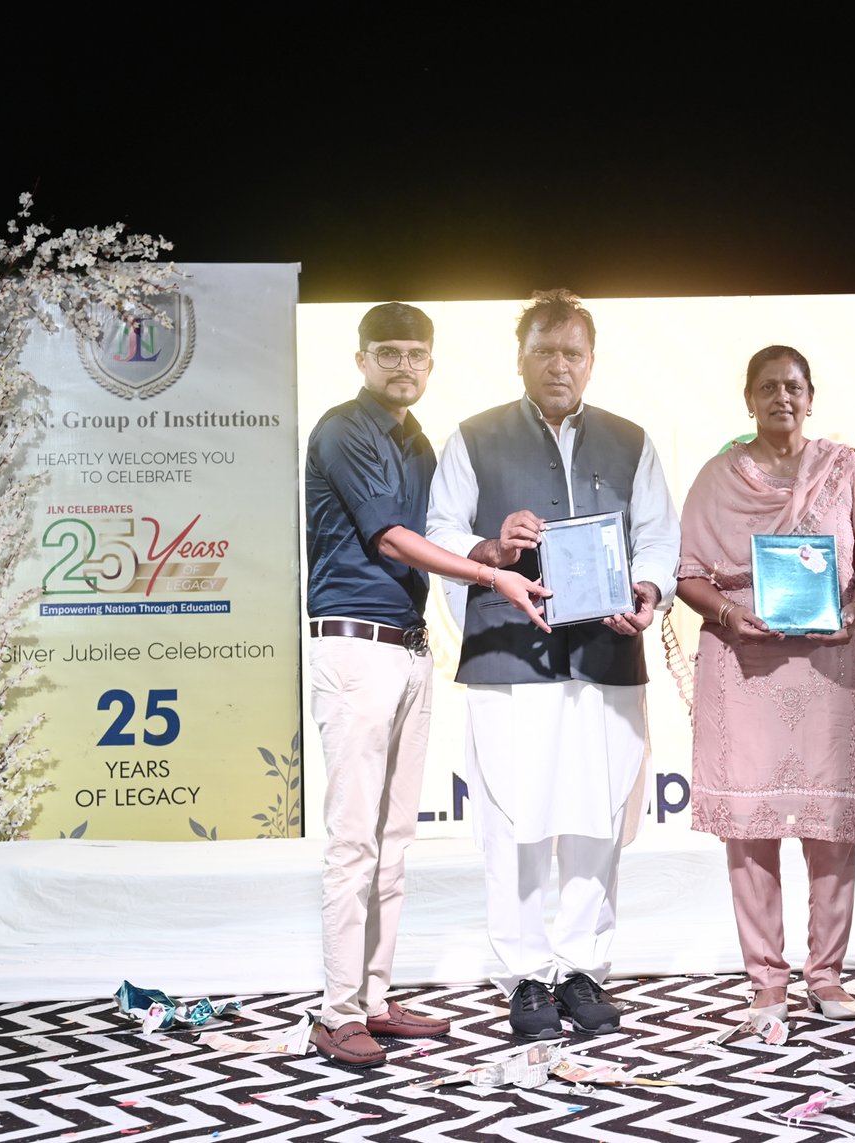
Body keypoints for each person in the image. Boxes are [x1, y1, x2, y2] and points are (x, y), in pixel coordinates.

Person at [426, 289, 681, 1040]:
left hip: (606, 655)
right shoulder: (473, 438)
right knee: (515, 821)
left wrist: (648, 590)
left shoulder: (631, 441)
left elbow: (658, 538)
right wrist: (490, 547)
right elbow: (439, 533)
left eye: (572, 352)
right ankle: (527, 978)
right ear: (520, 358)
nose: (559, 365)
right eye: (544, 351)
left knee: (598, 819)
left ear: (592, 361)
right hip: (512, 658)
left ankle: (582, 968)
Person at [304, 302, 550, 1068]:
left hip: (409, 648)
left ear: (431, 364)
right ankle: (336, 1011)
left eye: (416, 353)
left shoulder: (416, 440)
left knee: (394, 841)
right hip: (355, 645)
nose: (403, 365)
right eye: (388, 352)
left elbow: (437, 537)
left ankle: (374, 999)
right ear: (361, 359)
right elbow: (391, 539)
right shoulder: (343, 428)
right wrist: (491, 576)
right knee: (354, 840)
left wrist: (492, 549)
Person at [674, 345, 855, 1036]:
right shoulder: (718, 476)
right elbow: (688, 571)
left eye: (794, 386)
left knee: (831, 828)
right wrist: (727, 613)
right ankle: (767, 980)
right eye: (768, 387)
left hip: (830, 664)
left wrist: (854, 610)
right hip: (745, 662)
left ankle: (826, 974)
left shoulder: (842, 469)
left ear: (810, 397)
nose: (782, 397)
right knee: (751, 829)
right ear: (749, 398)